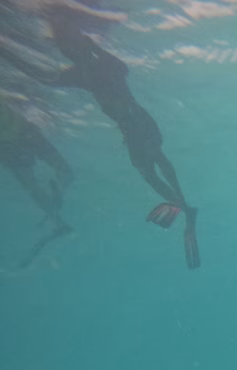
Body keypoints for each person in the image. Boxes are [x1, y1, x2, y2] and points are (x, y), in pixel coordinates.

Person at [0, 3, 200, 269]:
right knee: (148, 166)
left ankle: (182, 203)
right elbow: (44, 76)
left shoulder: (88, 70)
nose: (67, 50)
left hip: (136, 123)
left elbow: (43, 76)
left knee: (150, 162)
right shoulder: (90, 69)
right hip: (134, 125)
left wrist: (9, 54)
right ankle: (181, 203)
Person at [0, 95, 73, 267]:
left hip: (16, 139)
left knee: (35, 185)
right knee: (63, 173)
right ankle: (58, 213)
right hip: (18, 137)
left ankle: (58, 218)